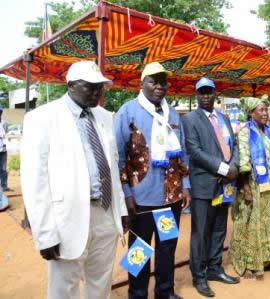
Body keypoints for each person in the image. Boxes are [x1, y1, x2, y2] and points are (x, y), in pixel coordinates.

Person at [21, 61, 128, 299]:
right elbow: (34, 181)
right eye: (89, 86)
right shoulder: (42, 118)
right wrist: (45, 234)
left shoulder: (105, 117)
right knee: (63, 289)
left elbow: (111, 167)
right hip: (65, 219)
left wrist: (120, 210)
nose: (96, 92)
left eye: (99, 86)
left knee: (101, 282)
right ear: (70, 85)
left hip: (104, 213)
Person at [114, 62, 191, 299]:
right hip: (142, 200)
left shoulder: (173, 113)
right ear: (142, 83)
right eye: (153, 81)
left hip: (171, 198)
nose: (159, 86)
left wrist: (186, 186)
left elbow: (183, 152)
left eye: (163, 82)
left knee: (167, 247)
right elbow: (118, 156)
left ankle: (164, 292)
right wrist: (126, 193)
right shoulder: (128, 111)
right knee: (140, 249)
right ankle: (137, 294)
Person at [182, 78, 240, 298]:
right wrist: (225, 169)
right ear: (196, 95)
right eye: (201, 93)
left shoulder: (224, 118)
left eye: (209, 92)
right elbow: (194, 151)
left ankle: (215, 268)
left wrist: (233, 165)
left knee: (219, 229)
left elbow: (232, 145)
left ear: (216, 94)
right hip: (204, 185)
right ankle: (199, 276)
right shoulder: (189, 119)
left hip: (224, 186)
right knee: (201, 232)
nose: (205, 96)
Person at [229, 95, 270, 279]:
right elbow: (243, 163)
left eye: (266, 110)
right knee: (251, 223)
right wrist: (247, 190)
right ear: (251, 113)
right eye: (262, 110)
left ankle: (268, 258)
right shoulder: (244, 133)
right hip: (254, 186)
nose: (266, 113)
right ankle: (249, 262)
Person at [0, 105, 9, 191]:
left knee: (3, 168)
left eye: (0, 112)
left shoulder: (5, 123)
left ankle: (4, 186)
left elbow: (6, 134)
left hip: (3, 149)